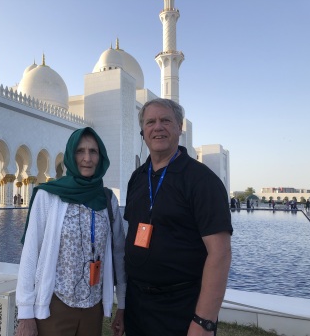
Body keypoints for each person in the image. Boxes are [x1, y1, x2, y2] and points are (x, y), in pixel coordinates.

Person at [123, 98, 232, 336]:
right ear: (143, 132)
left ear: (179, 128)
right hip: (138, 305)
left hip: (181, 307)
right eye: (150, 122)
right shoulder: (137, 178)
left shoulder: (201, 180)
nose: (158, 127)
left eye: (165, 120)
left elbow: (220, 252)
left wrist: (204, 321)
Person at [15, 127, 127, 336]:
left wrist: (121, 303)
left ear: (100, 156)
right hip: (54, 306)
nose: (87, 158)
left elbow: (119, 254)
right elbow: (30, 252)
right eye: (80, 151)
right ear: (70, 154)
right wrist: (25, 313)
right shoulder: (49, 196)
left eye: (93, 151)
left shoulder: (108, 200)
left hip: (93, 308)